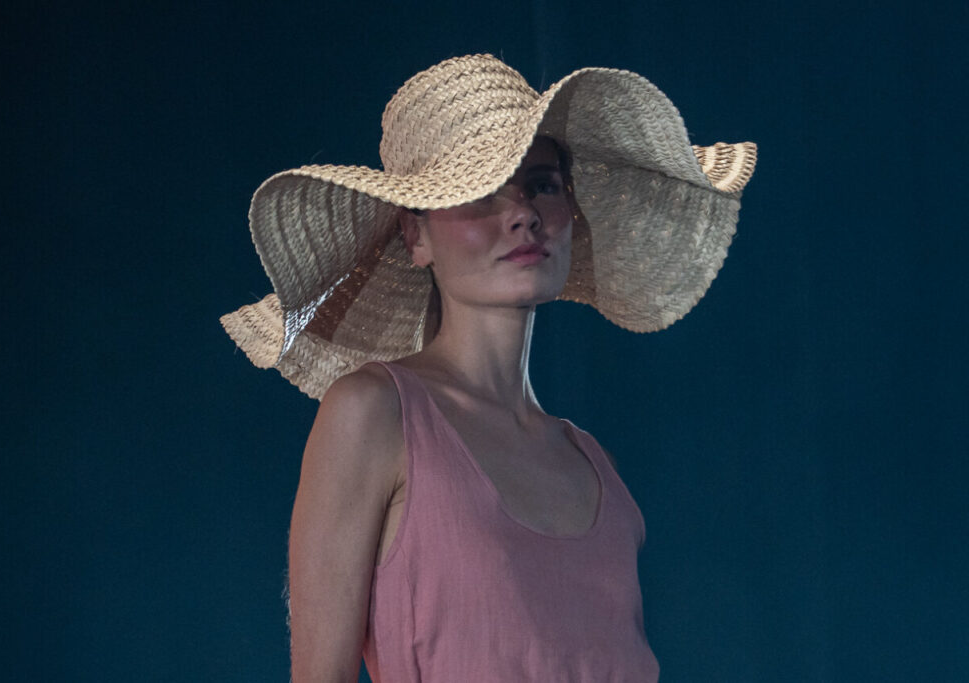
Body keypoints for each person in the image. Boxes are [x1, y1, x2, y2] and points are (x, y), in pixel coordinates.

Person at [221, 54, 756, 682]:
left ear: (570, 212)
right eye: (478, 192)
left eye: (542, 184)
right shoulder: (373, 413)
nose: (522, 212)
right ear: (414, 237)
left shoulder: (593, 463)